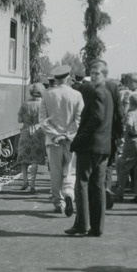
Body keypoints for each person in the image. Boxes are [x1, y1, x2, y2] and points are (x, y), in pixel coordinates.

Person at [67, 59, 114, 237]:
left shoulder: (98, 93)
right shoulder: (107, 92)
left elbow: (96, 119)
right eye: (92, 73)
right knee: (98, 186)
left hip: (90, 147)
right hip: (103, 147)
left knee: (82, 184)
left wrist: (78, 141)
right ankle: (96, 227)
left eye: (97, 73)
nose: (94, 76)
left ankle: (82, 224)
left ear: (104, 75)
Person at [40, 65, 84, 216]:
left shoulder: (47, 94)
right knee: (71, 170)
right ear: (68, 77)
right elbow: (79, 119)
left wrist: (55, 135)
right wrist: (68, 134)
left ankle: (58, 202)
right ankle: (69, 195)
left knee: (56, 171)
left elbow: (43, 120)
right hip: (71, 140)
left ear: (55, 78)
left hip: (53, 141)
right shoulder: (77, 95)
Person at [113, 92, 137, 204]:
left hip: (132, 142)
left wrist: (124, 135)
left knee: (124, 168)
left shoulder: (131, 114)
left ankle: (120, 193)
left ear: (130, 103)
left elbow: (128, 125)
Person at [16, 83, 47, 193]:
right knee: (35, 159)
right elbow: (45, 120)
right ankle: (33, 184)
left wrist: (27, 121)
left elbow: (19, 120)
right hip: (39, 133)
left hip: (26, 131)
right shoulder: (43, 105)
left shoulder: (24, 104)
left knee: (24, 159)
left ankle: (25, 181)